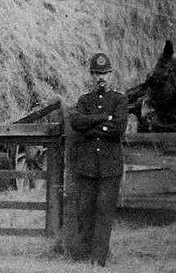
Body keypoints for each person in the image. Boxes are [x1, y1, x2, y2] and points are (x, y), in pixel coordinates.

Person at [69, 52, 128, 267]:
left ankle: (99, 258)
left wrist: (91, 125)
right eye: (96, 73)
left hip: (109, 167)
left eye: (104, 73)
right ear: (91, 75)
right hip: (88, 166)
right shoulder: (84, 100)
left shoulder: (120, 99)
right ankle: (83, 255)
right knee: (85, 210)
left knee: (104, 211)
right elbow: (76, 122)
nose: (100, 77)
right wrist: (104, 119)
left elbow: (118, 128)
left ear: (111, 74)